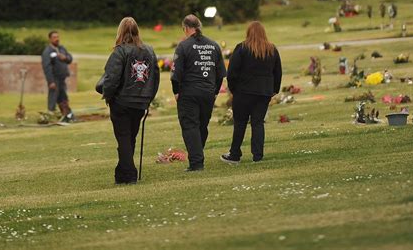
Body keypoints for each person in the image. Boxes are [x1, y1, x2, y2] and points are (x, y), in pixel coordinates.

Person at [102, 17, 159, 185]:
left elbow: (111, 79)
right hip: (141, 102)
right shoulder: (149, 50)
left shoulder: (120, 51)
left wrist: (107, 95)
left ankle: (129, 174)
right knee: (129, 138)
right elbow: (155, 78)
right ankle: (122, 173)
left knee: (124, 138)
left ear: (120, 31)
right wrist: (149, 97)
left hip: (122, 101)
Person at [221, 21, 282, 164]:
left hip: (243, 92)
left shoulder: (242, 48)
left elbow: (232, 72)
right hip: (264, 92)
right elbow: (277, 72)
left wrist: (233, 89)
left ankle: (235, 154)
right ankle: (258, 156)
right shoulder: (272, 49)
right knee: (258, 123)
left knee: (240, 123)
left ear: (248, 32)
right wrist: (274, 89)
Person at [171, 14, 226, 172]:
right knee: (202, 125)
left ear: (187, 28)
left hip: (189, 92)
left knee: (190, 126)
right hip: (208, 92)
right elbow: (221, 73)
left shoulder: (183, 46)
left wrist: (176, 92)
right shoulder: (214, 45)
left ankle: (196, 163)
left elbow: (176, 73)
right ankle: (197, 153)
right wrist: (215, 92)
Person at [41, 31, 75, 122]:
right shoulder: (47, 51)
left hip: (62, 78)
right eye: (54, 37)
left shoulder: (61, 48)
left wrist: (65, 58)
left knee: (63, 97)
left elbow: (70, 58)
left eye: (58, 37)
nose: (57, 39)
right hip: (54, 78)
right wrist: (50, 81)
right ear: (50, 39)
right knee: (53, 96)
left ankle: (67, 115)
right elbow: (46, 67)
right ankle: (50, 115)